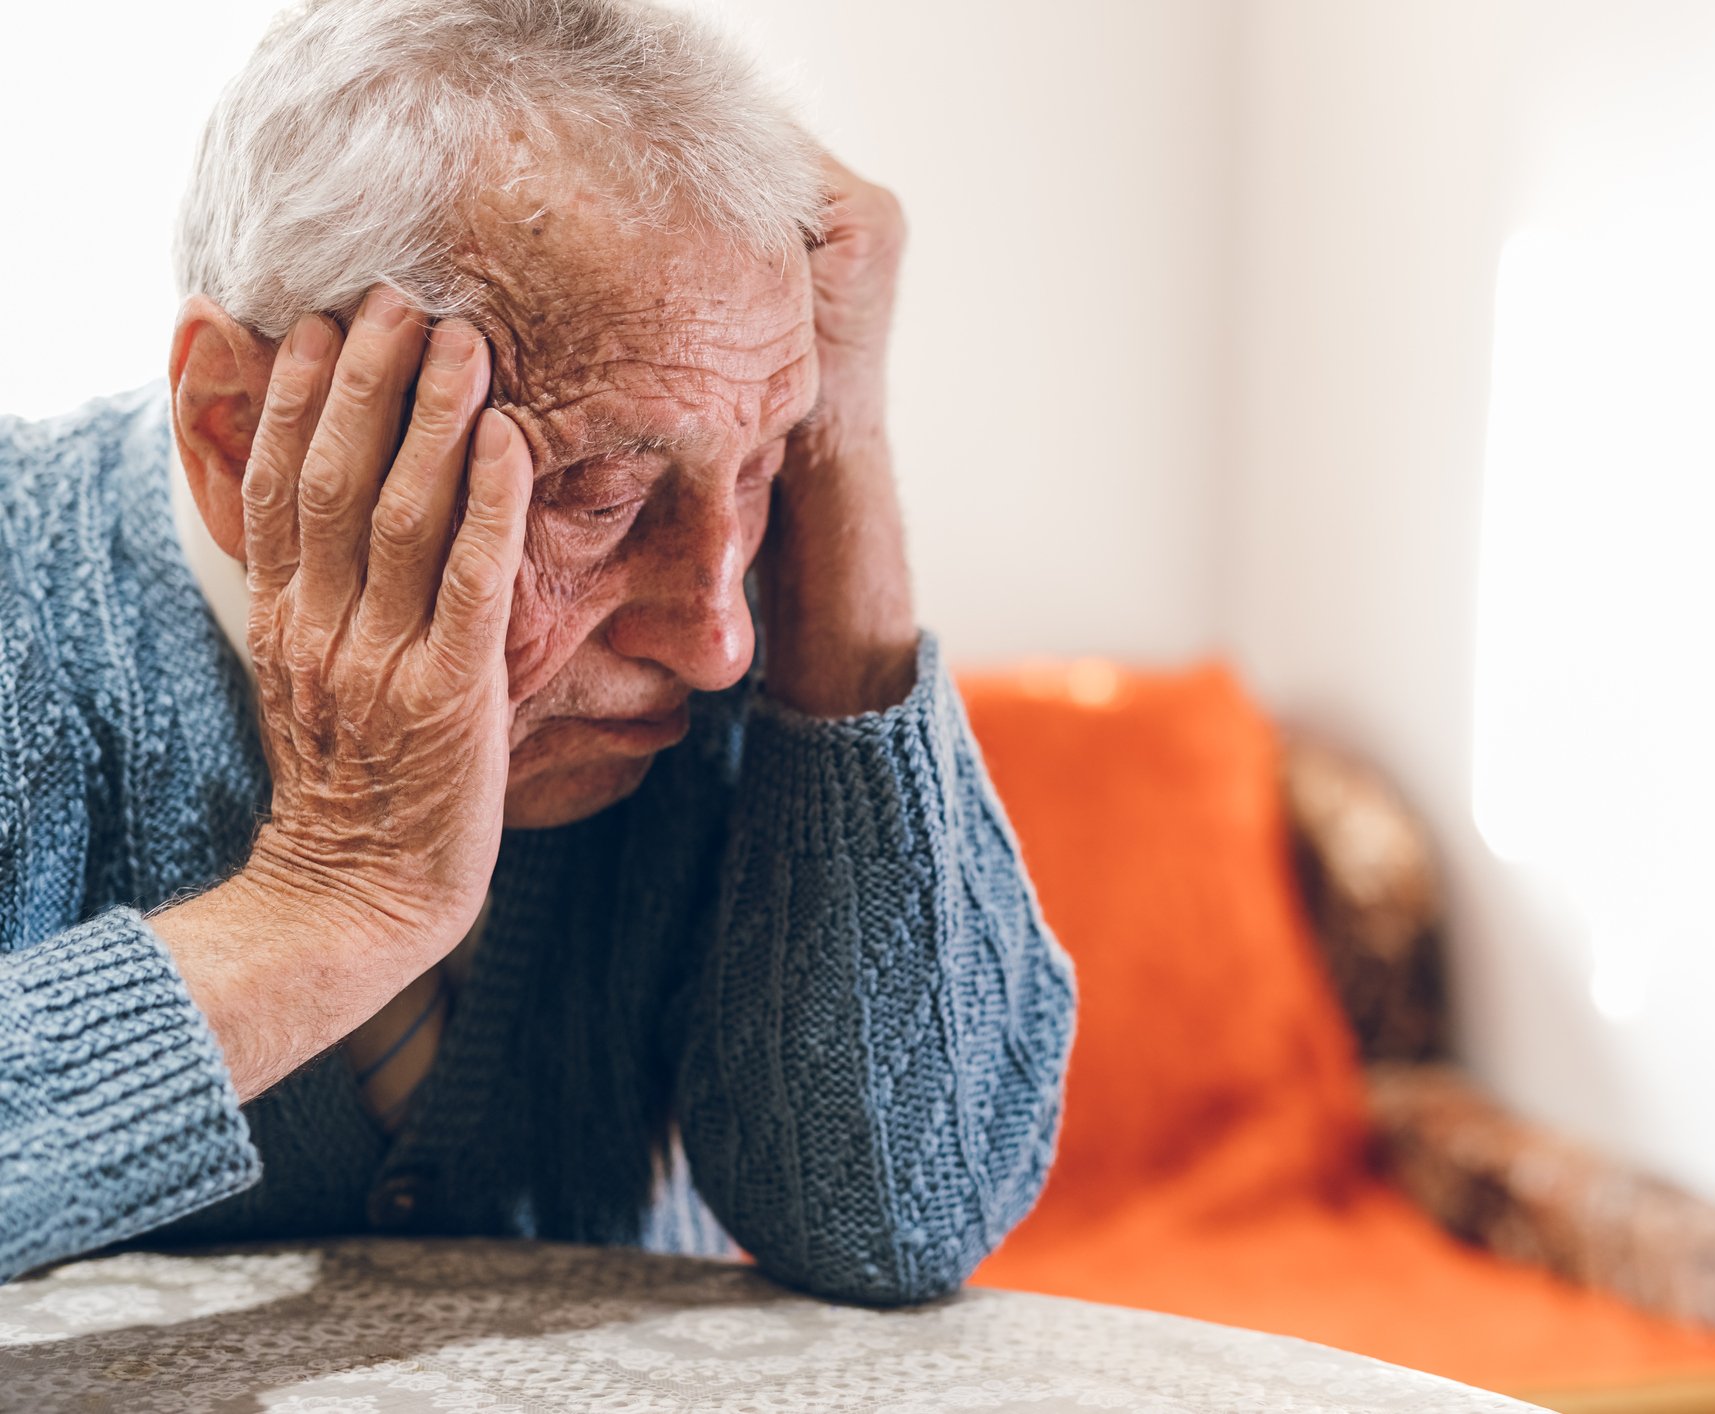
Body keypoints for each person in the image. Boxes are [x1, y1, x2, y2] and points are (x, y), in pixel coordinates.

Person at [0, 0, 1076, 1303]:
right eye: (601, 495)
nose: (717, 639)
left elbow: (904, 1212)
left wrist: (834, 448)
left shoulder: (703, 652)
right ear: (236, 428)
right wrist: (338, 897)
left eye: (757, 466)